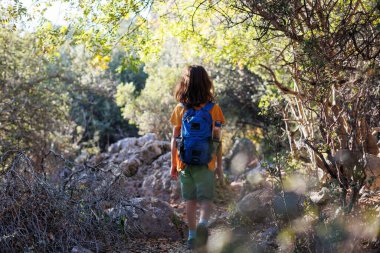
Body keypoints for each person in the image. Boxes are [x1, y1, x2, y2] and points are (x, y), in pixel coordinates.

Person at [170, 65, 225, 250]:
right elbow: (217, 140)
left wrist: (173, 165)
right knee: (206, 199)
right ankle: (203, 224)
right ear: (206, 83)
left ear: (184, 84)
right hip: (206, 162)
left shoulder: (180, 109)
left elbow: (174, 139)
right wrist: (219, 167)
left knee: (190, 200)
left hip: (184, 163)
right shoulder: (214, 109)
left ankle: (192, 236)